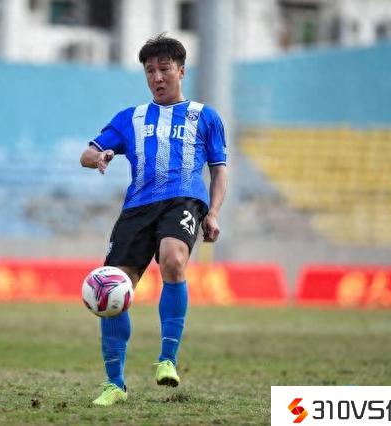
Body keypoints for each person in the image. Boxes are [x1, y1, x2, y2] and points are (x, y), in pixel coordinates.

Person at [80, 34, 228, 406]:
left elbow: (219, 170)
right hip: (137, 209)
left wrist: (213, 212)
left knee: (173, 259)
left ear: (181, 71)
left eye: (164, 69)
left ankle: (167, 359)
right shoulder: (130, 118)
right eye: (150, 71)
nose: (157, 77)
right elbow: (87, 153)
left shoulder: (205, 117)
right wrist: (99, 157)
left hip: (183, 200)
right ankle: (115, 384)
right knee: (113, 288)